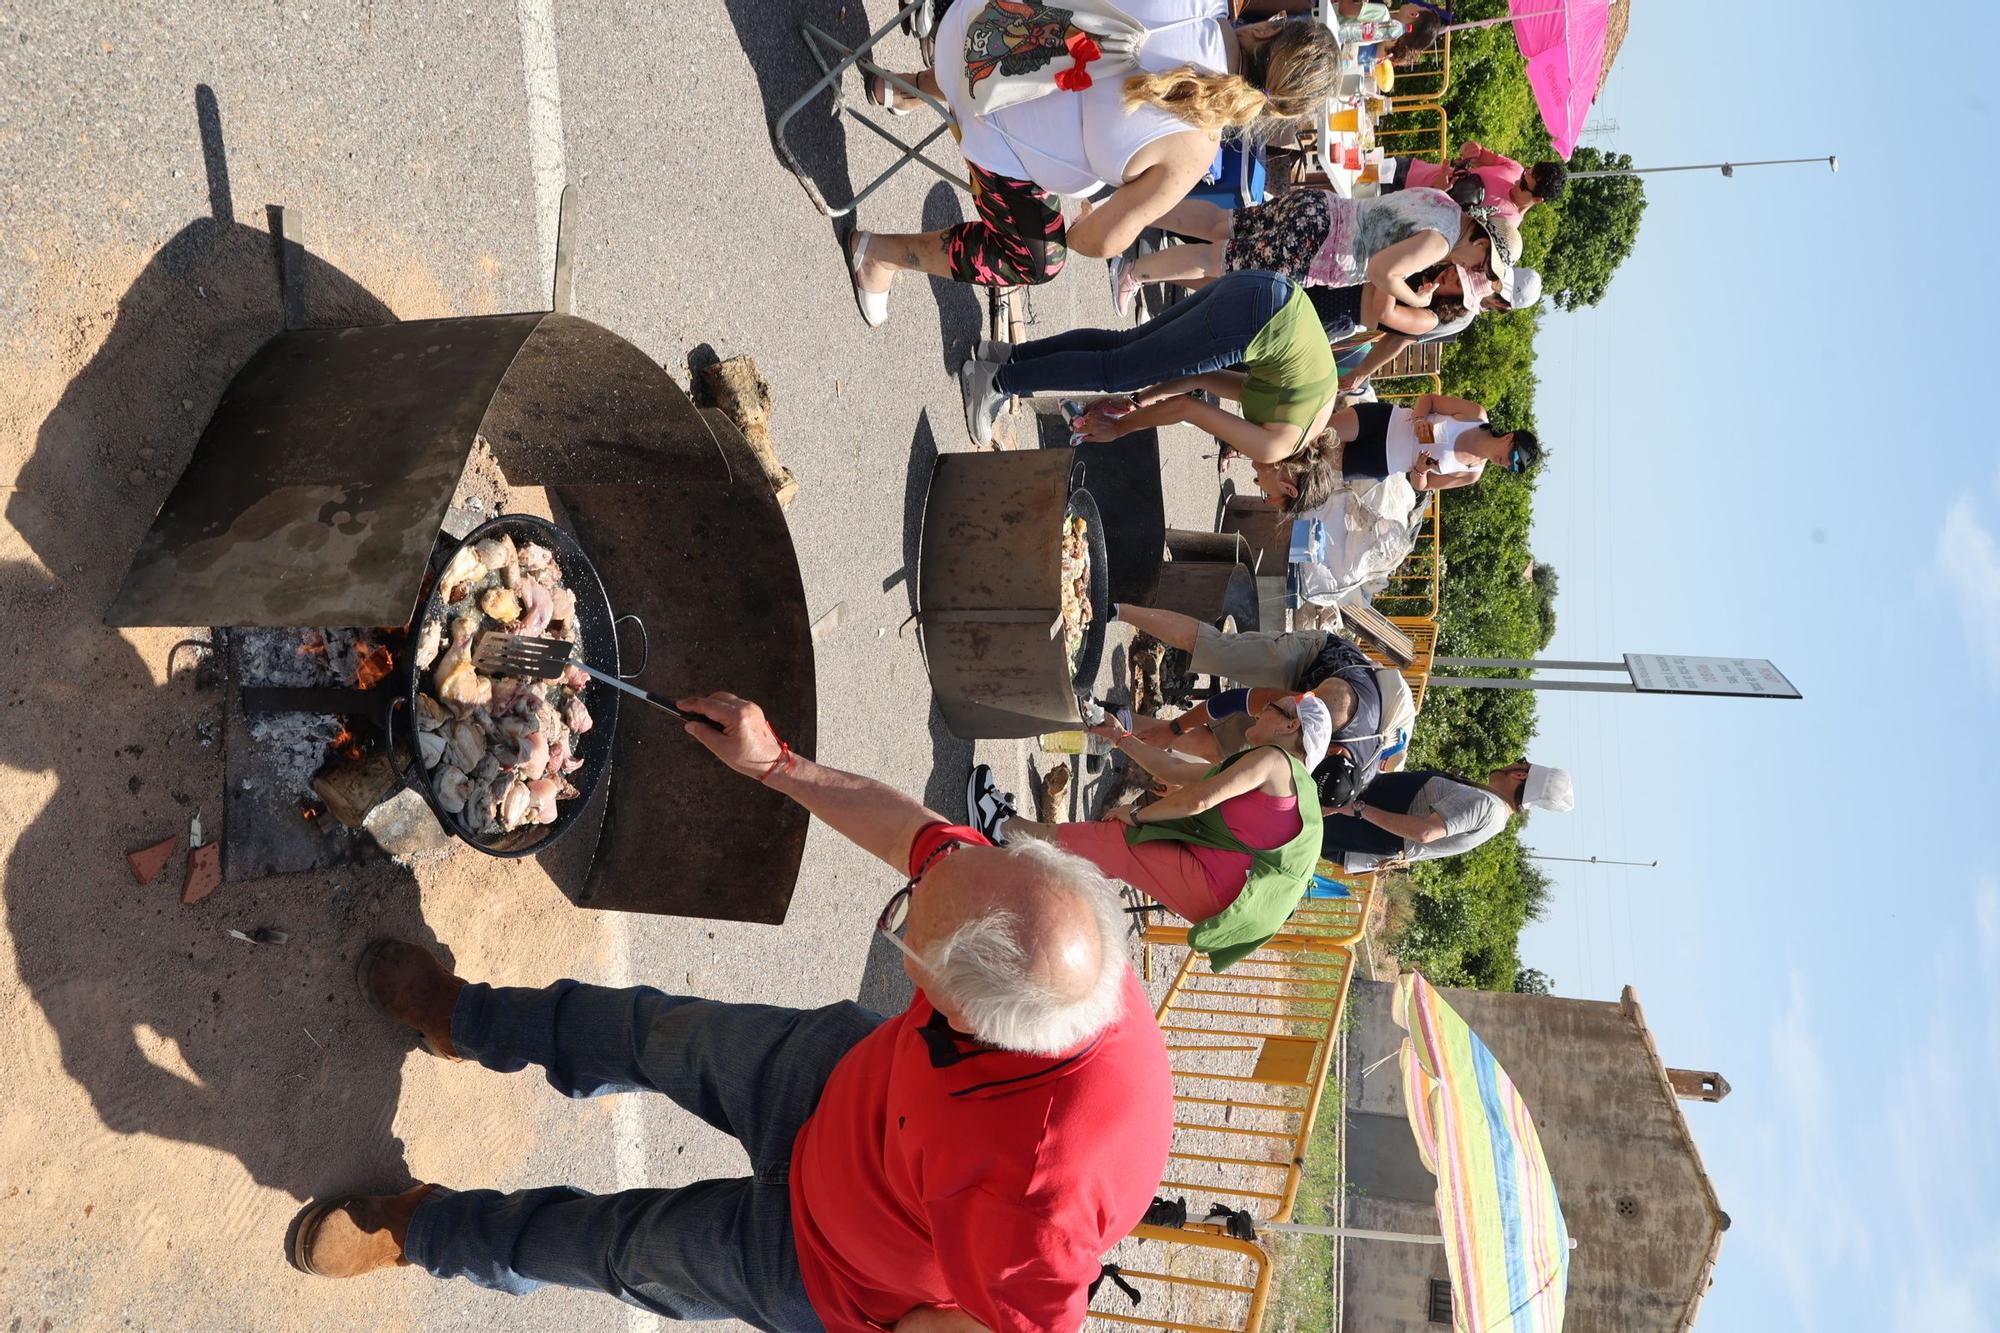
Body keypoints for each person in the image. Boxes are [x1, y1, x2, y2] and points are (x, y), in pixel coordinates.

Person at [286, 692, 1174, 1333]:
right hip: (834, 1078)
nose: (918, 889)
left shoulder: (1036, 1208)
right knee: (648, 1030)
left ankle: (423, 1229)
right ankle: (463, 1017)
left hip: (816, 1264)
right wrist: (777, 763)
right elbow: (922, 836)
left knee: (617, 1250)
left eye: (910, 937)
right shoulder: (1051, 929)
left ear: (973, 1022)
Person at [845, 7, 1341, 326]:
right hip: (991, 138)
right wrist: (1078, 213)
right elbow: (1099, 242)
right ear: (1273, 113)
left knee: (1058, 32)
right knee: (1038, 261)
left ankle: (912, 85)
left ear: (1268, 25)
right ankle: (882, 254)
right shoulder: (1194, 151)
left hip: (976, 21)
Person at [966, 692, 1328, 970]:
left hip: (1223, 889)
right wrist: (1120, 736)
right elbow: (1173, 770)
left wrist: (1138, 816)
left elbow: (1199, 800)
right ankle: (1020, 872)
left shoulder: (1273, 761)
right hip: (1233, 902)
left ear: (1290, 726)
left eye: (1271, 707)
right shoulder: (1297, 786)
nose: (1258, 709)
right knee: (1119, 852)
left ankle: (1002, 829)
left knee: (1125, 840)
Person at [961, 267, 1339, 460]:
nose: (1258, 480)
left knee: (1122, 347)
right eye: (1272, 496)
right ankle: (994, 382)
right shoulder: (1276, 448)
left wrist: (1140, 399)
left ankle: (1008, 357)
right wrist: (1119, 428)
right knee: (1113, 371)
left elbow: (1205, 379)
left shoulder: (1305, 415)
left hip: (1267, 290)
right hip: (1253, 322)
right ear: (1290, 484)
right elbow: (1188, 407)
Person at [1108, 191, 1518, 322]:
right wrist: (1418, 299)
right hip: (1319, 248)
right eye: (1481, 266)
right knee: (1219, 262)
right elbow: (1381, 271)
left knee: (1223, 225)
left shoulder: (1445, 203)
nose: (1470, 270)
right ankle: (1134, 272)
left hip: (1321, 209)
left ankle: (1133, 209)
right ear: (1482, 243)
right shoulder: (1443, 242)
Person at [1105, 604, 1401, 778]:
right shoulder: (1332, 705)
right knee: (1222, 653)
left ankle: (1115, 720)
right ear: (1292, 722)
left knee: (1221, 751)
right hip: (1315, 661)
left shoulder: (1334, 782)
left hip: (1308, 722)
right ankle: (1117, 610)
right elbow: (1238, 700)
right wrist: (1176, 726)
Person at [1320, 760, 1574, 870]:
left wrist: (1359, 810)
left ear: (1521, 775)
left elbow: (1425, 832)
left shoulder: (1487, 805)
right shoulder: (1493, 811)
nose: (1511, 762)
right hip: (1364, 825)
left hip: (1363, 825)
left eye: (1521, 761)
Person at [1331, 261, 1541, 393]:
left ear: (1501, 305)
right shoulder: (1476, 263)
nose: (1454, 275)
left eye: (1497, 290)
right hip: (1350, 271)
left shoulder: (1461, 317)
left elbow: (1400, 337)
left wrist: (1361, 372)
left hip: (1347, 306)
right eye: (1497, 277)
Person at [1321, 391, 1538, 492]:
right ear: (1510, 438)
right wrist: (1419, 420)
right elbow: (1429, 399)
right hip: (1383, 422)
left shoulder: (1471, 474)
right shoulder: (1476, 415)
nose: (1508, 463)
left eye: (1514, 468)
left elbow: (1422, 486)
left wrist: (1420, 471)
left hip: (1381, 462)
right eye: (1514, 457)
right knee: (1317, 433)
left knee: (1314, 458)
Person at [1380, 144, 1568, 222]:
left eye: (1524, 185)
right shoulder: (1515, 168)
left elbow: (1451, 233)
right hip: (1409, 170)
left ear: (1537, 199)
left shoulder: (1505, 224)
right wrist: (1470, 150)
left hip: (1403, 209)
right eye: (1526, 171)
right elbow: (1475, 152)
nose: (1518, 180)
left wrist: (1437, 193)